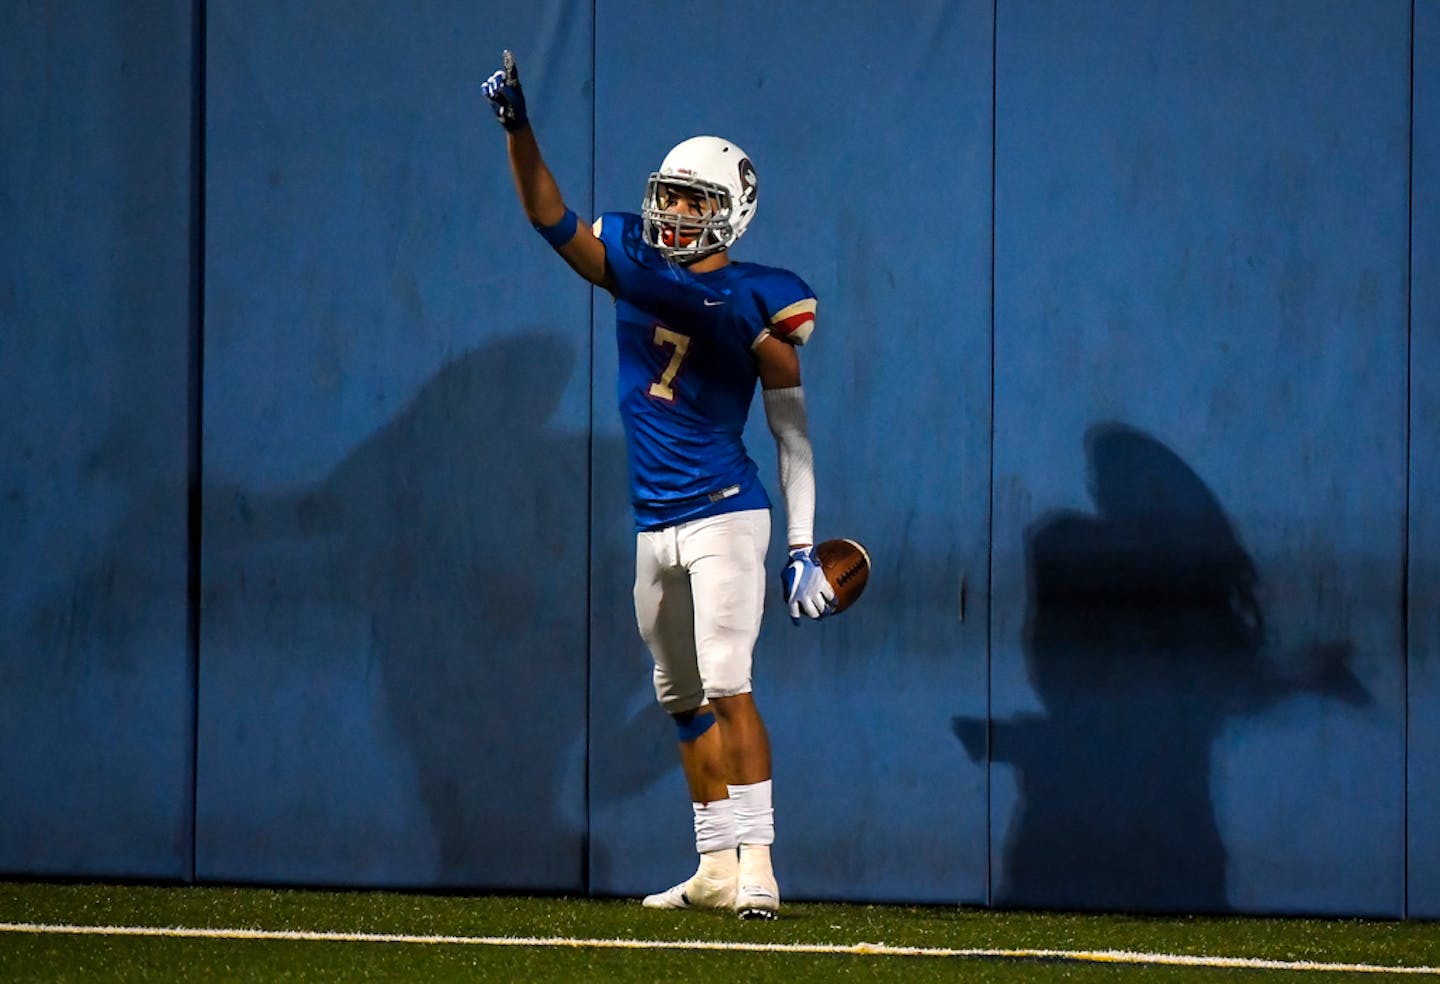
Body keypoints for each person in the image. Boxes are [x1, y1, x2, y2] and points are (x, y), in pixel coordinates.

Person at [483, 51, 834, 921]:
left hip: (724, 511)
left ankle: (760, 863)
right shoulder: (631, 264)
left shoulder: (764, 307)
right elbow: (545, 212)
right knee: (678, 696)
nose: (674, 212)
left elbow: (794, 442)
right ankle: (716, 864)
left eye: (695, 201)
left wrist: (798, 549)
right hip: (654, 518)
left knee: (727, 682)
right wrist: (517, 127)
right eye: (670, 196)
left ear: (734, 214)